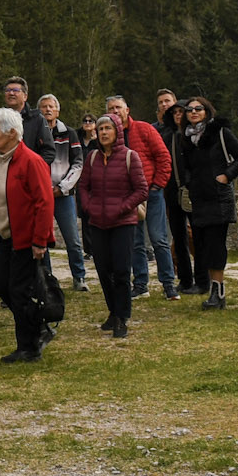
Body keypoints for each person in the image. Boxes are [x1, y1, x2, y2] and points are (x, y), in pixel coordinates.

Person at [0, 109, 56, 362]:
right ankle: (39, 329)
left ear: (12, 133)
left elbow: (44, 203)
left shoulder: (31, 161)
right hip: (5, 238)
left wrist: (40, 241)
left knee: (19, 291)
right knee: (4, 287)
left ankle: (29, 346)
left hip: (26, 239)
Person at [76, 114, 147, 338]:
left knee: (122, 271)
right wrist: (89, 207)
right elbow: (83, 187)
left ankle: (122, 317)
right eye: (101, 129)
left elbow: (141, 190)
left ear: (117, 131)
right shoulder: (92, 158)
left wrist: (121, 208)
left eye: (108, 128)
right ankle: (112, 311)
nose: (104, 132)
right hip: (97, 222)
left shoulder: (130, 157)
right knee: (103, 271)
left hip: (123, 223)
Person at [178, 97, 238, 310]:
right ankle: (212, 290)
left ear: (207, 111)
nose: (194, 112)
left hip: (218, 197)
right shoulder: (186, 139)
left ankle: (219, 292)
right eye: (189, 109)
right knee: (202, 246)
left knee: (216, 246)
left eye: (198, 109)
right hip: (198, 198)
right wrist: (189, 182)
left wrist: (226, 176)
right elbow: (187, 166)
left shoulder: (220, 132)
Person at [108, 96, 174, 299]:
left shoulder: (144, 129)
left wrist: (157, 185)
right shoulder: (108, 135)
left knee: (158, 238)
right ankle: (140, 284)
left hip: (151, 193)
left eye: (118, 107)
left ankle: (168, 283)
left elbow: (163, 157)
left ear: (127, 110)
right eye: (111, 108)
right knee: (135, 242)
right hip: (127, 196)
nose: (115, 111)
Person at [40, 95, 90, 294]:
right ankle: (46, 279)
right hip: (41, 195)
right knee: (41, 239)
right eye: (43, 107)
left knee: (73, 239)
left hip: (64, 195)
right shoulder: (35, 133)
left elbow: (78, 164)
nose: (47, 110)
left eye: (51, 106)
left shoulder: (69, 133)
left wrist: (62, 187)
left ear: (58, 111)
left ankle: (79, 277)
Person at [159, 100, 196, 295]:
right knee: (178, 236)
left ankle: (202, 277)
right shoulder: (167, 135)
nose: (178, 115)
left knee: (197, 234)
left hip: (194, 190)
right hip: (172, 190)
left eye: (182, 111)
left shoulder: (195, 135)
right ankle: (184, 278)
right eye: (175, 112)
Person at [0, 75, 55, 164]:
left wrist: (31, 169)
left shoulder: (37, 120)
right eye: (8, 90)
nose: (11, 93)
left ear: (25, 96)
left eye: (15, 90)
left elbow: (48, 152)